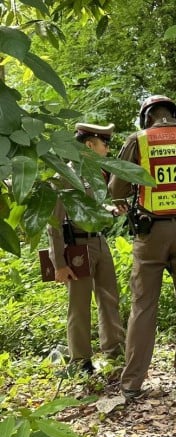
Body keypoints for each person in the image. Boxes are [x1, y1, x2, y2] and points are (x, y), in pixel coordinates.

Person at [109, 95, 176, 400]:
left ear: (147, 117)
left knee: (143, 305)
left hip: (152, 232)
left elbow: (116, 188)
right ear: (174, 114)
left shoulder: (138, 140)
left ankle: (132, 383)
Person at [47, 123, 126, 375]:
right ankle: (81, 361)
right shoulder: (64, 176)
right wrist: (59, 263)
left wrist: (111, 210)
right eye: (105, 143)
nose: (107, 149)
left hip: (99, 241)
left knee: (109, 299)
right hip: (77, 247)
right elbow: (53, 223)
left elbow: (94, 205)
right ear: (89, 145)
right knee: (79, 305)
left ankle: (115, 352)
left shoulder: (94, 174)